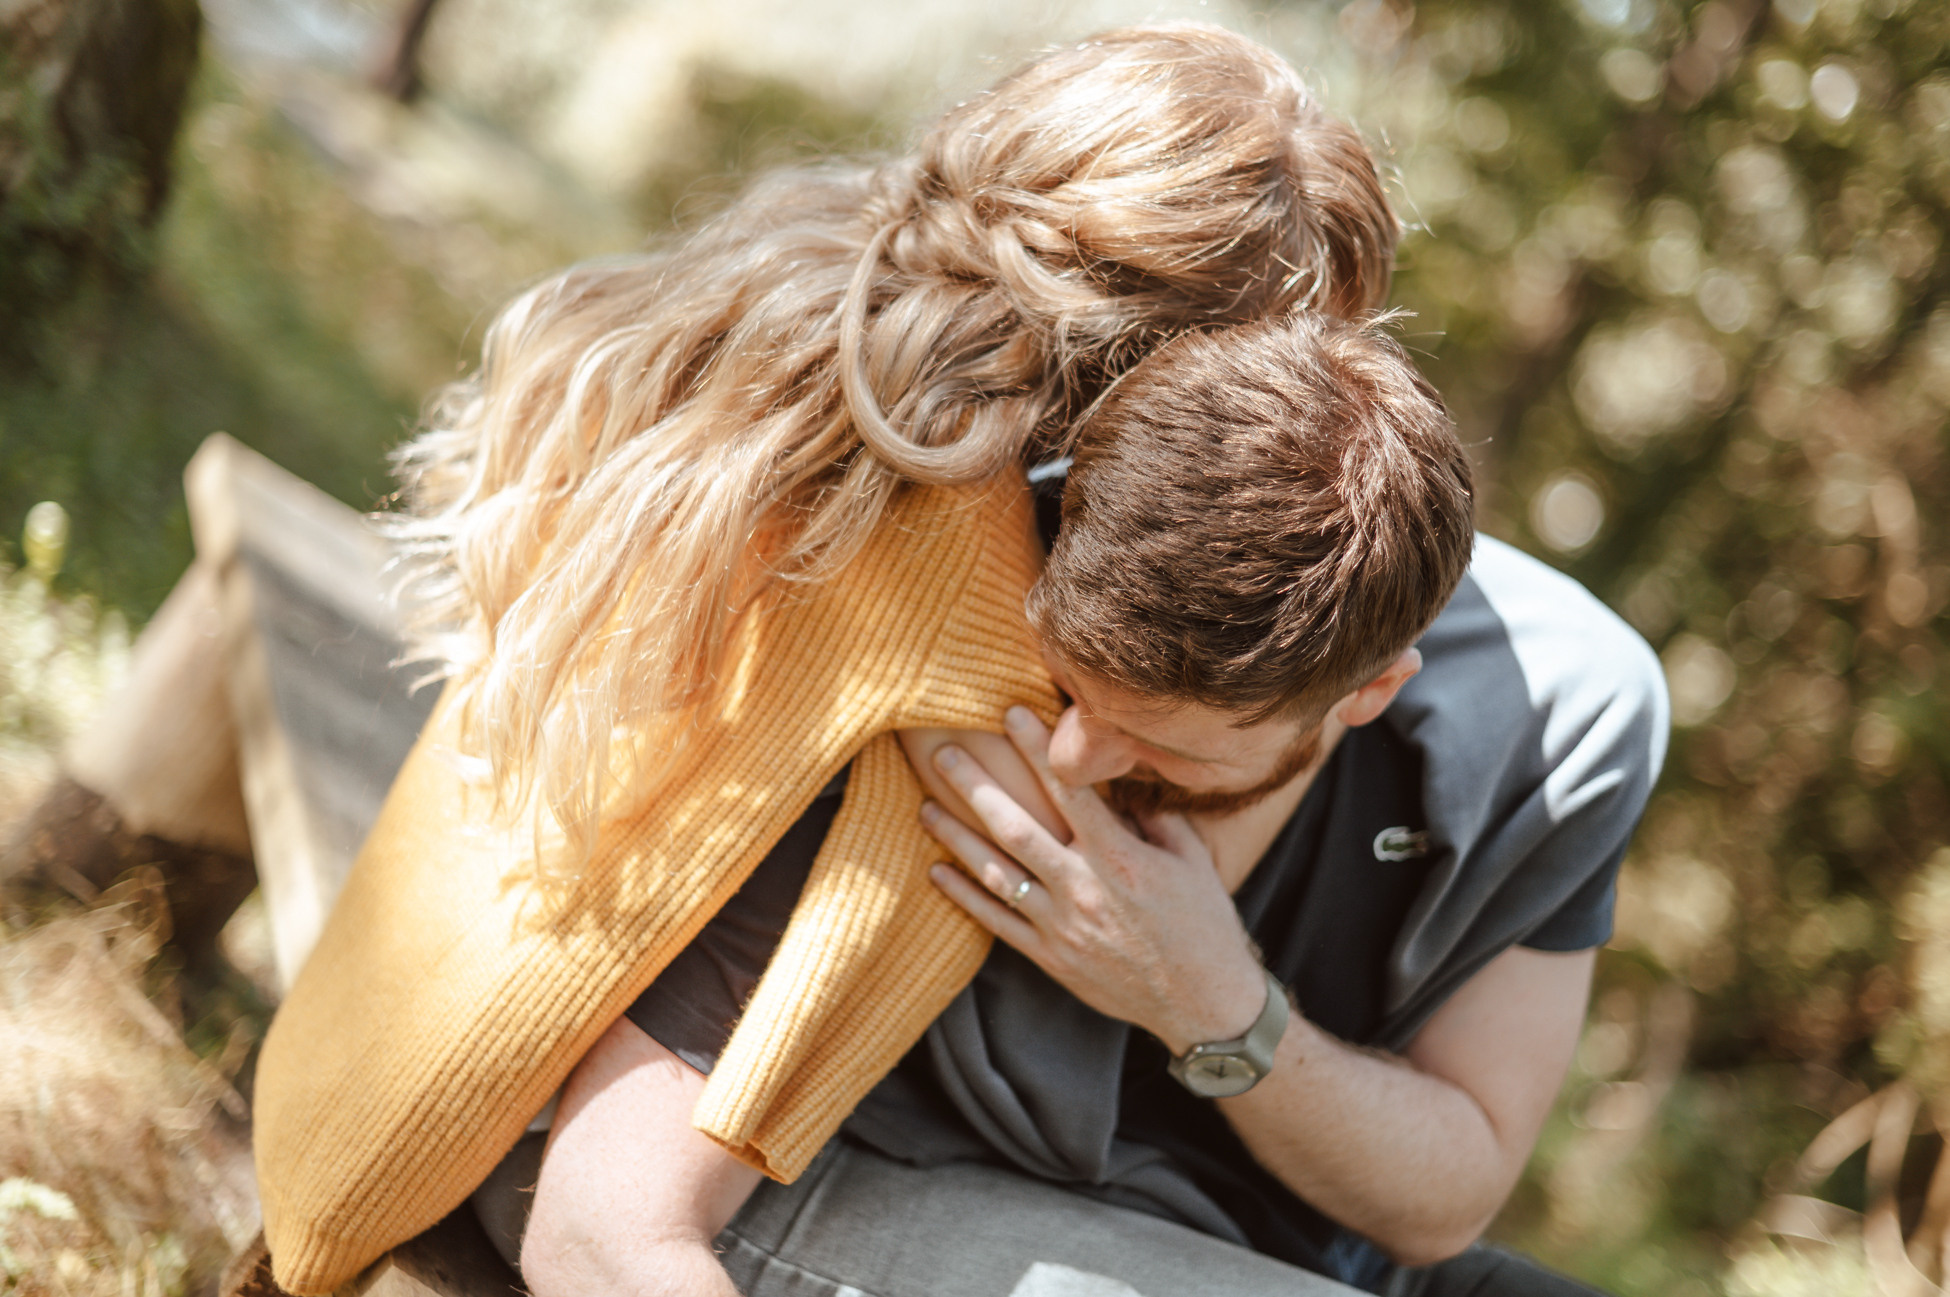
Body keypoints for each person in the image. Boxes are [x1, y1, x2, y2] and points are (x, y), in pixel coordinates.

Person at [246, 25, 1414, 1296]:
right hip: (488, 1139)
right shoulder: (973, 646)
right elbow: (619, 1228)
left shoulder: (799, 319)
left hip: (359, 1043)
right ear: (1167, 396)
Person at [502, 314, 1668, 1297]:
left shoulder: (1567, 725)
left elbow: (1448, 1197)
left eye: (1156, 742)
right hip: (877, 1183)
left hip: (1297, 1240)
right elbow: (604, 1222)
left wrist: (1213, 1001)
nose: (1069, 750)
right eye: (1066, 684)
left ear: (1369, 692)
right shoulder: (953, 599)